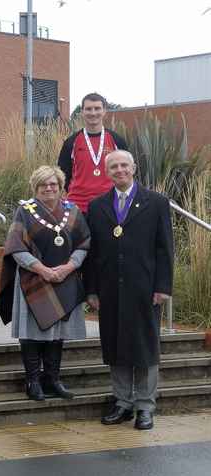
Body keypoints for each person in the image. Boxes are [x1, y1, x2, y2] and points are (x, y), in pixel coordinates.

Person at [85, 150, 173, 431]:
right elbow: (92, 253)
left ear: (134, 168)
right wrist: (92, 290)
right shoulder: (97, 206)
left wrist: (162, 286)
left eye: (124, 165)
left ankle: (145, 407)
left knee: (145, 348)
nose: (120, 170)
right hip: (110, 289)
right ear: (107, 172)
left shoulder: (156, 202)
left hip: (145, 288)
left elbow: (165, 248)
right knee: (115, 345)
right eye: (114, 166)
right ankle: (122, 403)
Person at [0, 166, 90, 401]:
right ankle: (33, 381)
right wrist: (43, 270)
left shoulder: (73, 210)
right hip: (33, 280)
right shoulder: (25, 211)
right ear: (35, 188)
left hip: (64, 279)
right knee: (31, 332)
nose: (49, 188)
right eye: (43, 185)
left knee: (58, 332)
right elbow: (16, 247)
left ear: (60, 187)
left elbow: (85, 243)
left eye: (53, 184)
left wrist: (69, 267)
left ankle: (53, 379)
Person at [57, 92, 128, 213]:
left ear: (104, 111)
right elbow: (62, 175)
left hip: (109, 205)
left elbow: (126, 172)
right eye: (89, 109)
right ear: (82, 112)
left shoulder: (117, 140)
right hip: (78, 207)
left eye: (97, 108)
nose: (93, 113)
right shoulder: (71, 142)